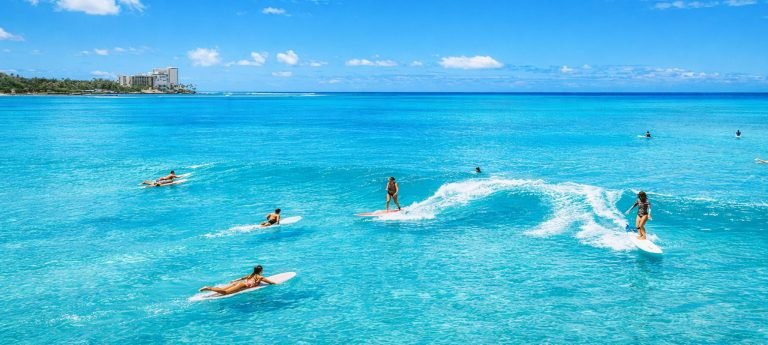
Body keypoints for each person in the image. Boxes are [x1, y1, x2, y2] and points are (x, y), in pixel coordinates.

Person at [199, 265, 275, 295]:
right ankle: (208, 288)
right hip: (242, 285)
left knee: (222, 289)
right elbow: (271, 283)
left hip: (239, 283)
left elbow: (242, 278)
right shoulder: (260, 277)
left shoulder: (251, 274)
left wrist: (234, 281)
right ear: (261, 271)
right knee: (225, 292)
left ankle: (209, 288)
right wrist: (277, 284)